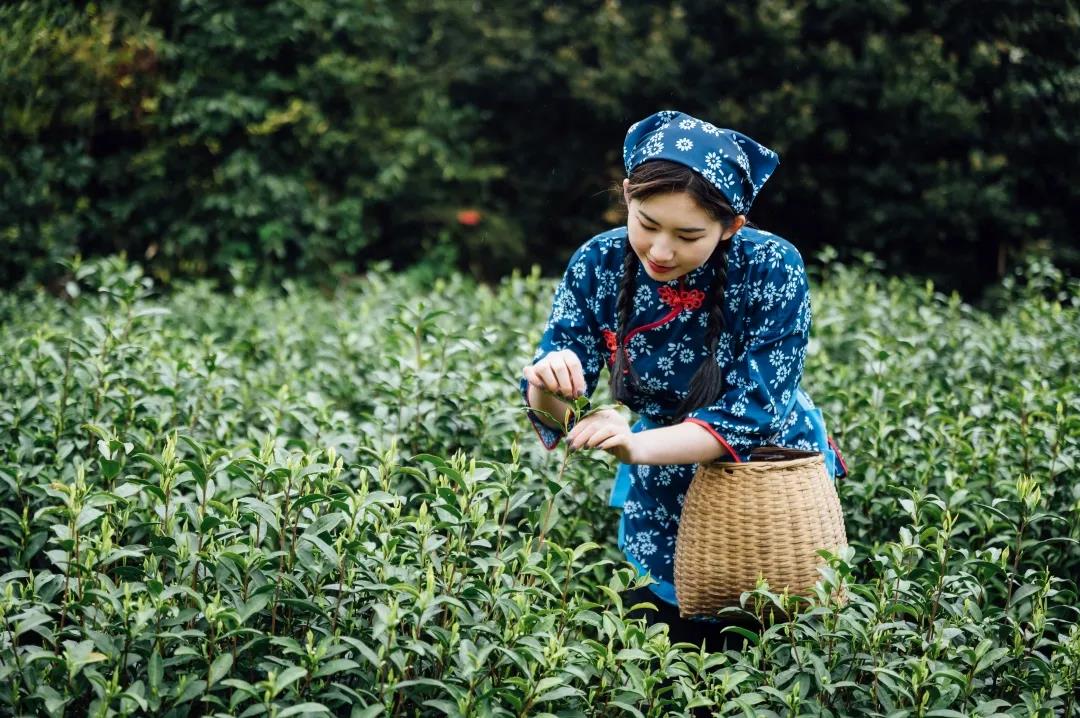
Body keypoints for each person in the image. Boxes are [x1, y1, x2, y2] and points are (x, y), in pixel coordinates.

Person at [520, 110, 848, 652]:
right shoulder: (597, 264)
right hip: (658, 475)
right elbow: (558, 413)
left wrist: (635, 445)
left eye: (688, 234)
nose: (661, 251)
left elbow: (754, 410)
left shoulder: (771, 266)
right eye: (647, 224)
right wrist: (549, 386)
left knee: (770, 638)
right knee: (666, 646)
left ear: (731, 226)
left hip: (763, 475)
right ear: (627, 195)